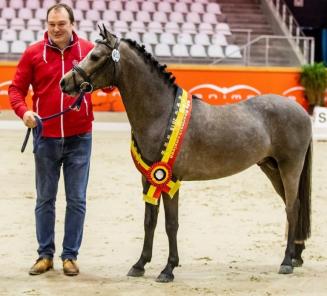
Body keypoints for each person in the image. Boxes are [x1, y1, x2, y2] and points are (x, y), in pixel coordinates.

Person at [9, 3, 94, 276]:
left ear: (72, 24)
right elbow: (15, 90)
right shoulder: (33, 53)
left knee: (77, 200)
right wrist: (24, 113)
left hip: (80, 137)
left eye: (61, 24)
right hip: (45, 137)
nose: (56, 29)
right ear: (47, 25)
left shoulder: (89, 51)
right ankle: (45, 255)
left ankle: (70, 256)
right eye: (51, 24)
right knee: (45, 199)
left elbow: (111, 81)